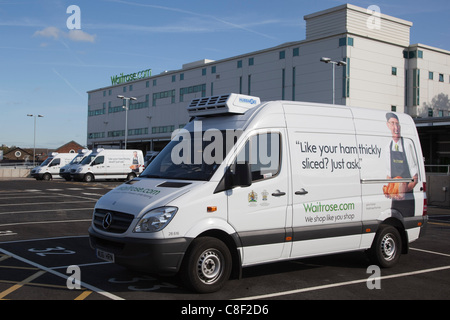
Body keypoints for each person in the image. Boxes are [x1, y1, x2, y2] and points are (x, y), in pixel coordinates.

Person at [384, 112, 418, 217]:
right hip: (395, 200)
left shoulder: (407, 146)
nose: (396, 128)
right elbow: (389, 176)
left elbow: (415, 177)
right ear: (388, 125)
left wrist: (404, 191)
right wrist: (391, 191)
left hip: (407, 198)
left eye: (397, 124)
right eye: (393, 124)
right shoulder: (387, 148)